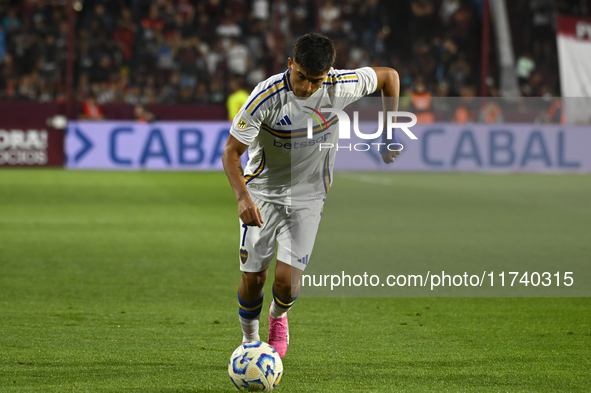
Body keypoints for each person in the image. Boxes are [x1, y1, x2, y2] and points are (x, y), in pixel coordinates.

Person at [221, 33, 401, 358]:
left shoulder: (340, 85)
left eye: (315, 81)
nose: (306, 87)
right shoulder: (266, 97)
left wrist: (389, 132)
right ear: (290, 64)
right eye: (301, 77)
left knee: (287, 283)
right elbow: (231, 153)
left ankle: (278, 318)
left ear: (328, 74)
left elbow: (390, 77)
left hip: (309, 194)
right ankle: (250, 342)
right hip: (262, 192)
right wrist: (242, 197)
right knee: (253, 278)